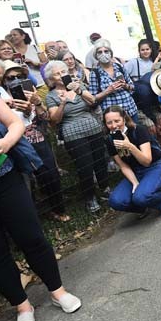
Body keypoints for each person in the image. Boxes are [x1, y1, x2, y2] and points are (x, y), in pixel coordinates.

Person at [0, 57, 81, 321]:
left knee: (31, 236)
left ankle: (57, 291)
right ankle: (22, 307)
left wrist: (5, 143)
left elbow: (15, 124)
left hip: (3, 175)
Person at [1, 61, 70, 222]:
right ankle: (32, 218)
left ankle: (57, 210)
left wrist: (37, 103)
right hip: (17, 143)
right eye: (11, 78)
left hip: (38, 139)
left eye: (20, 76)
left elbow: (45, 118)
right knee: (26, 183)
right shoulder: (0, 98)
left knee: (50, 175)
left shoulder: (31, 92)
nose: (16, 80)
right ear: (4, 80)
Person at [45, 60, 108, 214]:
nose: (61, 75)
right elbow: (55, 119)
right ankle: (90, 197)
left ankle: (105, 188)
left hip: (93, 127)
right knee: (84, 166)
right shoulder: (51, 96)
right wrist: (63, 103)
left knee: (100, 160)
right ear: (51, 79)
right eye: (57, 74)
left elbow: (93, 101)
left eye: (63, 72)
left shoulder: (79, 86)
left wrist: (79, 90)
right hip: (73, 134)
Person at [104, 105, 161, 217]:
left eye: (117, 121)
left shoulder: (139, 130)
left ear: (124, 118)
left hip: (154, 167)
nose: (114, 126)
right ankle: (143, 206)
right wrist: (135, 183)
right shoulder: (110, 139)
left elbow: (146, 161)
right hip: (135, 172)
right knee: (115, 201)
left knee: (140, 197)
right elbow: (123, 166)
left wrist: (130, 146)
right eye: (109, 123)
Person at [88, 39, 139, 125]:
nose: (103, 54)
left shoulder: (119, 67)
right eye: (99, 52)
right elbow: (93, 98)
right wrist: (108, 91)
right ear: (96, 56)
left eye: (106, 51)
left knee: (136, 135)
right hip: (113, 116)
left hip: (130, 109)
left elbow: (132, 87)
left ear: (111, 53)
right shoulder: (95, 73)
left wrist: (125, 85)